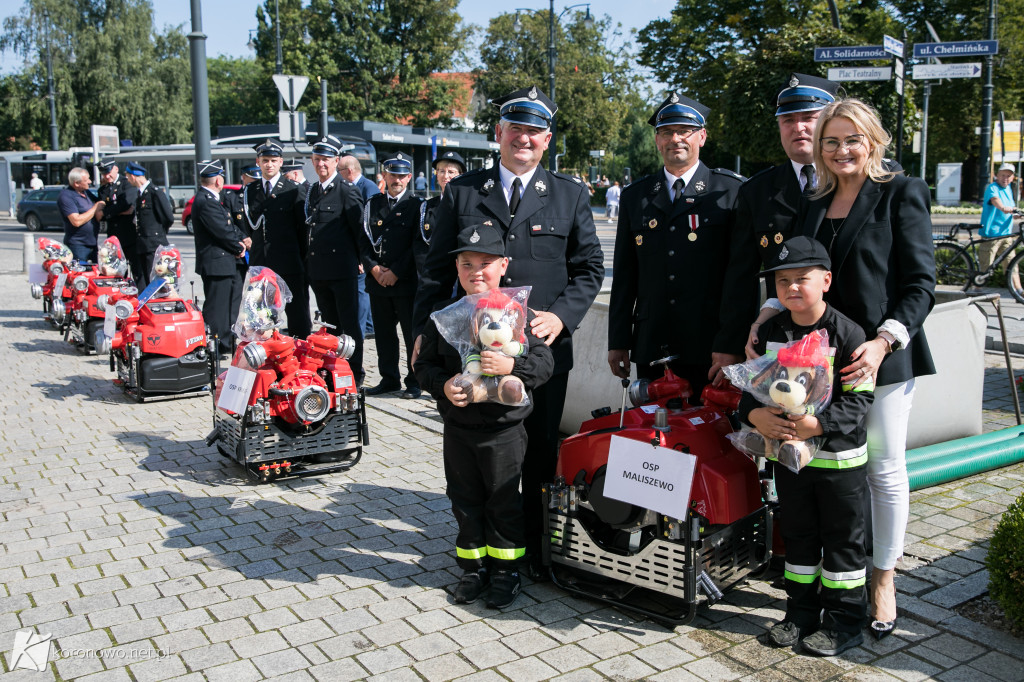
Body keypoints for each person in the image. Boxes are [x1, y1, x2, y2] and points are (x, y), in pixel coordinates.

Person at [413, 85, 605, 579]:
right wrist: (421, 331)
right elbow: (434, 272)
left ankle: (538, 554)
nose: (524, 138)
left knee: (540, 453)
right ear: (498, 134)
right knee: (478, 454)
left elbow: (587, 268)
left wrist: (562, 316)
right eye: (515, 128)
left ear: (546, 139)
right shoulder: (462, 192)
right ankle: (482, 546)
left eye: (534, 131)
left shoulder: (570, 193)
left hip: (538, 353)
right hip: (473, 355)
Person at [787, 98, 935, 640]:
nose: (841, 150)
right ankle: (835, 573)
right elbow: (798, 271)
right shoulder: (815, 199)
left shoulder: (902, 192)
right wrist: (766, 316)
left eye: (852, 140)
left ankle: (883, 578)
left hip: (882, 356)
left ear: (872, 142)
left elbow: (920, 285)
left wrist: (882, 342)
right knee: (830, 467)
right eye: (831, 141)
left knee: (882, 468)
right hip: (817, 359)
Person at [740, 236, 873, 657]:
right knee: (798, 538)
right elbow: (754, 390)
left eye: (802, 279)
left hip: (839, 465)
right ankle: (799, 616)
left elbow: (860, 400)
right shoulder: (771, 333)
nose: (792, 288)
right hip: (791, 462)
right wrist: (751, 416)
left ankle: (844, 624)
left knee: (842, 544)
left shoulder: (849, 333)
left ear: (827, 280)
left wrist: (817, 425)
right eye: (782, 282)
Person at [414, 223, 554, 609]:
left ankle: (506, 570)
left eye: (486, 262)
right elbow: (423, 367)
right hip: (458, 429)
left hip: (502, 432)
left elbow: (544, 364)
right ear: (456, 269)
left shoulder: (519, 314)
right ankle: (473, 568)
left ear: (503, 265)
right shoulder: (443, 317)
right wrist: (442, 386)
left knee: (503, 500)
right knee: (464, 498)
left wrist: (512, 364)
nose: (476, 270)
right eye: (466, 263)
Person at [608, 92, 745, 398]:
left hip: (710, 347)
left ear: (702, 137)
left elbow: (740, 278)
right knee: (652, 439)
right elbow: (625, 276)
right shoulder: (636, 196)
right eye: (666, 132)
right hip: (652, 344)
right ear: (657, 140)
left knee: (710, 436)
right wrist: (618, 341)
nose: (675, 139)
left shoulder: (731, 191)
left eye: (684, 131)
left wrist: (731, 344)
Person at [720, 73, 841, 357]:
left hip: (847, 335)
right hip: (782, 340)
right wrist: (727, 345)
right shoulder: (757, 191)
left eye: (809, 118)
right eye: (788, 120)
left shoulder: (854, 181)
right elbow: (741, 275)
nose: (798, 127)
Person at [359, 152, 423, 399]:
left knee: (410, 334)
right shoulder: (372, 205)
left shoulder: (417, 206)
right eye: (392, 174)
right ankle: (389, 379)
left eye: (401, 175)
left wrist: (396, 272)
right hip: (378, 282)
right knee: (384, 335)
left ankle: (414, 380)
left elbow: (417, 244)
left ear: (409, 177)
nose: (397, 179)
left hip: (404, 282)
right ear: (384, 175)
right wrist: (374, 269)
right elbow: (363, 242)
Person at [305, 135, 367, 385]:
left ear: (336, 161)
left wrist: (362, 261)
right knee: (329, 327)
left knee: (349, 327)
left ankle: (354, 372)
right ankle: (332, 370)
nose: (321, 164)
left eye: (326, 160)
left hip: (342, 271)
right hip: (319, 272)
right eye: (317, 159)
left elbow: (359, 231)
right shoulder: (313, 191)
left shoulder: (346, 191)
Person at [242, 139, 311, 338]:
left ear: (281, 162)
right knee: (260, 314)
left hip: (289, 262)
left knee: (297, 313)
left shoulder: (292, 189)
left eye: (273, 160)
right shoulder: (251, 191)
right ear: (258, 162)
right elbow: (250, 226)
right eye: (265, 160)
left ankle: (299, 354)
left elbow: (302, 230)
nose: (269, 165)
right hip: (260, 262)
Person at [192, 160, 251, 357]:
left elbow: (229, 225)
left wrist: (241, 238)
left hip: (222, 263)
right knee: (216, 307)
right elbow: (221, 231)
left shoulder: (210, 198)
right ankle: (214, 346)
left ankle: (224, 342)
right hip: (216, 263)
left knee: (226, 305)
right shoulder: (206, 201)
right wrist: (238, 247)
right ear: (218, 180)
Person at [338, 154, 378, 339]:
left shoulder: (367, 187)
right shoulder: (356, 186)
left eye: (339, 171)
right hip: (353, 251)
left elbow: (369, 223)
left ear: (349, 171)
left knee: (361, 293)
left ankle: (361, 329)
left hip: (364, 252)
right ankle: (367, 325)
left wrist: (363, 256)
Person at [416, 150, 466, 278]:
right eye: (441, 171)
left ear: (461, 175)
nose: (445, 176)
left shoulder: (468, 205)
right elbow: (419, 245)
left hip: (460, 274)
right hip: (432, 273)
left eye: (451, 172)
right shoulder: (426, 206)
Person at [123, 162, 174, 287]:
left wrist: (157, 233)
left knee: (154, 280)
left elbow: (168, 217)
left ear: (134, 176)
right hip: (143, 245)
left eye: (128, 177)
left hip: (153, 244)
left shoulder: (154, 193)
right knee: (144, 280)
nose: (128, 180)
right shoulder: (141, 194)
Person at [95, 159, 142, 280]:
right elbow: (106, 209)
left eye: (109, 172)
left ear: (116, 168)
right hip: (113, 239)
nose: (107, 176)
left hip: (129, 236)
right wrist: (115, 211)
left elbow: (126, 205)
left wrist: (106, 212)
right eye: (104, 173)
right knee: (117, 273)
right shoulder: (103, 189)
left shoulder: (126, 184)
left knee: (137, 272)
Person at [978, 163, 1019, 276]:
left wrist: (1016, 213)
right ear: (997, 175)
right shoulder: (993, 187)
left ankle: (1019, 291)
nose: (1005, 178)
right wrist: (1002, 208)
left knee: (1012, 265)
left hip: (1006, 234)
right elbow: (995, 200)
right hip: (992, 234)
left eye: (1008, 176)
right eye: (1003, 175)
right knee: (985, 267)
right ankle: (976, 288)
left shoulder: (1008, 189)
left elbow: (1010, 208)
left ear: (1012, 178)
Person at [57, 167, 103, 263]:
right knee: (80, 276)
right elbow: (76, 221)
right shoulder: (66, 196)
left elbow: (100, 203)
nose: (90, 182)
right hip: (78, 245)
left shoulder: (86, 192)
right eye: (86, 180)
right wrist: (95, 208)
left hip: (92, 243)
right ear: (76, 183)